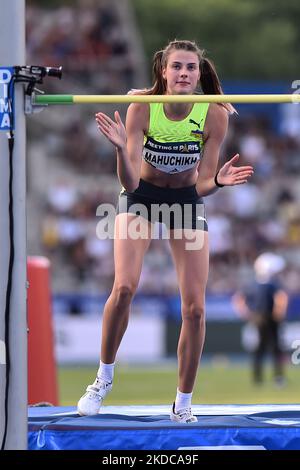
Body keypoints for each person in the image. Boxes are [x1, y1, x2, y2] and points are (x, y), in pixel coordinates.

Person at [77, 39, 254, 422]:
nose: (184, 73)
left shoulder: (213, 115)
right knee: (124, 287)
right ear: (163, 71)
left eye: (191, 67)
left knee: (195, 309)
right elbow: (129, 182)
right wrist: (122, 151)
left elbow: (202, 184)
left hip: (186, 201)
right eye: (177, 67)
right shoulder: (143, 106)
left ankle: (183, 403)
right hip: (141, 196)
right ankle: (102, 379)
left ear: (198, 73)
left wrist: (219, 182)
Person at [233, 252, 288, 386]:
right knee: (275, 346)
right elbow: (281, 298)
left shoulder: (253, 284)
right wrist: (279, 312)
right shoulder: (273, 284)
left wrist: (244, 312)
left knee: (260, 347)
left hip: (258, 317)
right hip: (269, 317)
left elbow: (238, 299)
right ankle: (278, 378)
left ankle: (258, 378)